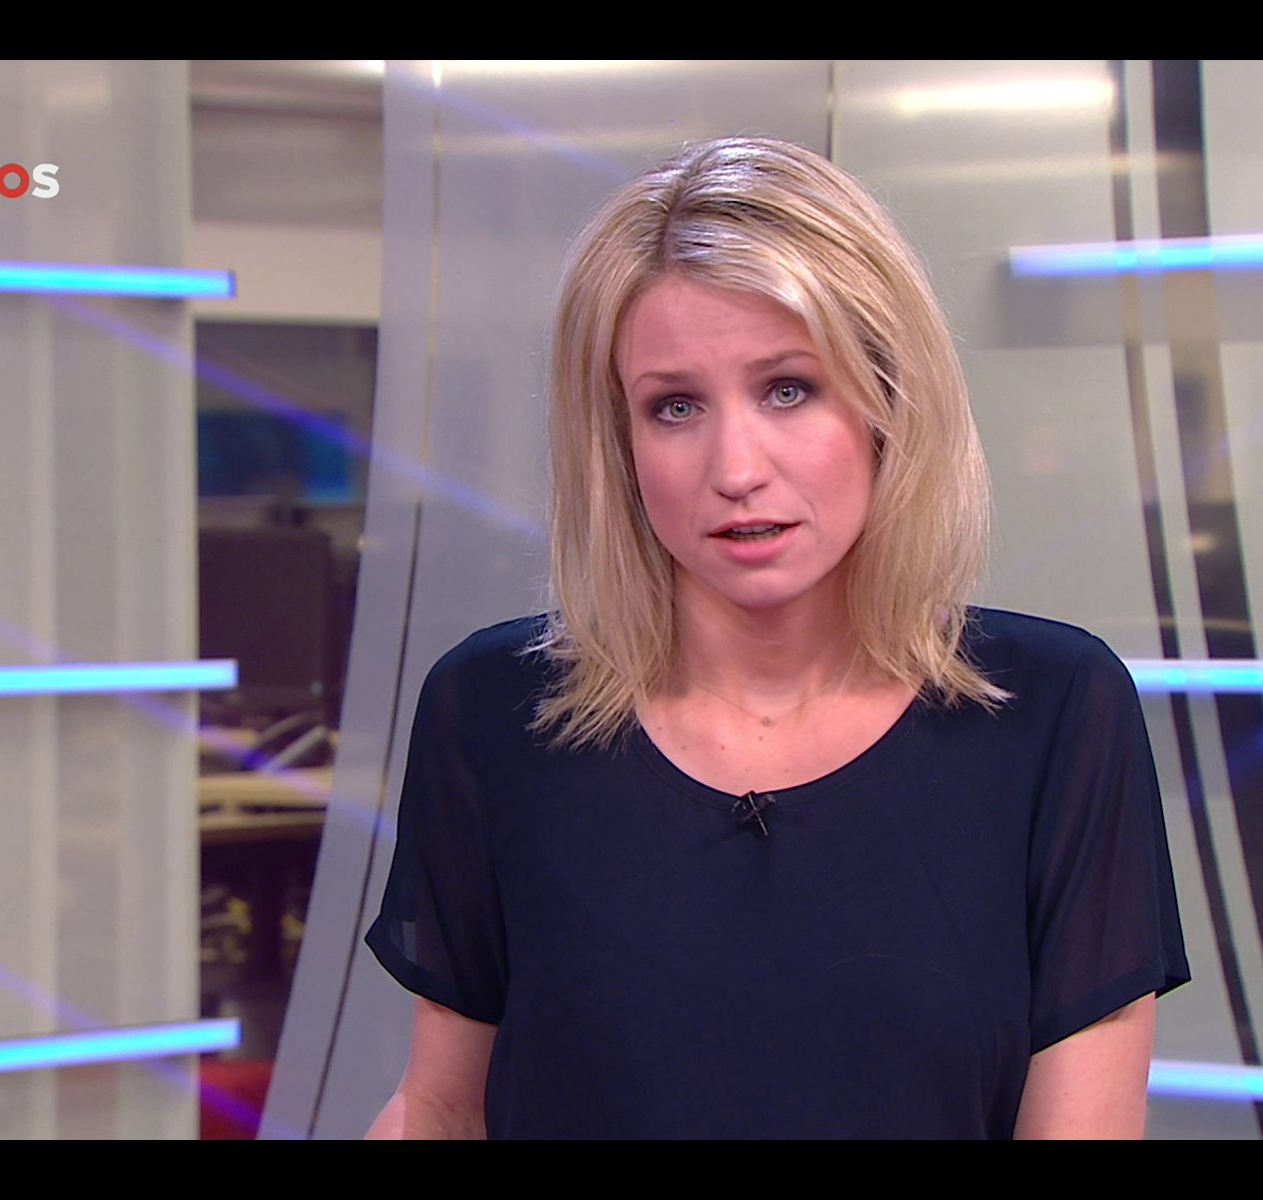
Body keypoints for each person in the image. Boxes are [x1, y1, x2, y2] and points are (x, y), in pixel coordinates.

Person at [363, 136, 1189, 1139]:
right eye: (674, 407)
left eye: (788, 389)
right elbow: (442, 1106)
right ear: (618, 445)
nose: (736, 468)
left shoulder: (1054, 716)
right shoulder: (495, 715)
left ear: (889, 401)